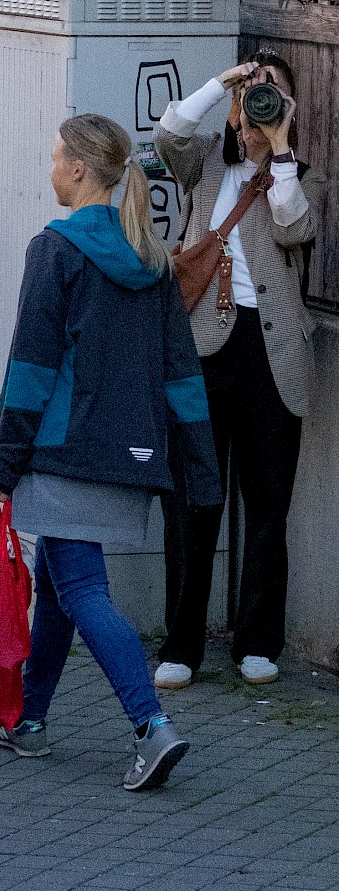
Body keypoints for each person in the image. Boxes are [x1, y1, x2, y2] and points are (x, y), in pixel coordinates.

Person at [0, 114, 220, 791]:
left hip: (61, 453)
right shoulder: (151, 258)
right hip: (130, 456)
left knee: (82, 589)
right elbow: (182, 372)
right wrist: (200, 470)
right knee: (58, 586)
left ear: (81, 170)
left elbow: (32, 367)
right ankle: (27, 718)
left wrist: (5, 462)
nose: (50, 167)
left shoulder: (53, 250)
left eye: (56, 157)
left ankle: (151, 726)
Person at [153, 53, 323, 690]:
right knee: (195, 503)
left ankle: (258, 641)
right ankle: (182, 644)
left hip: (273, 356)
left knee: (268, 508)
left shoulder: (301, 176)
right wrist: (221, 83)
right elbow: (168, 132)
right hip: (202, 348)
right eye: (255, 93)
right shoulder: (204, 168)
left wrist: (278, 148)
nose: (260, 103)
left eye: (273, 94)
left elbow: (296, 227)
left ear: (291, 108)